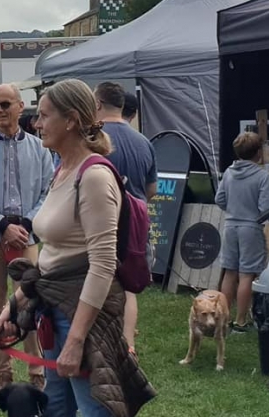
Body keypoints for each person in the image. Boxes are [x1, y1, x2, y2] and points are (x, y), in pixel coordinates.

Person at [0, 79, 155, 417]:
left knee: (95, 410)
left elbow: (102, 264)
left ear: (70, 121)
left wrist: (77, 339)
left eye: (45, 116)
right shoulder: (62, 170)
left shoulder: (93, 176)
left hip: (83, 315)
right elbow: (56, 258)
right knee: (56, 409)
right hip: (56, 309)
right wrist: (15, 304)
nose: (36, 124)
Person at [0, 84, 54, 394]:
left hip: (27, 236)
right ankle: (3, 374)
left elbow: (48, 190)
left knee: (30, 301)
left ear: (20, 106)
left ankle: (37, 374)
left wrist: (27, 224)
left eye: (5, 104)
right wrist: (3, 225)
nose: (0, 110)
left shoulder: (40, 147)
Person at [95, 82, 157, 354]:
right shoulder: (144, 142)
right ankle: (128, 346)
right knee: (129, 287)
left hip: (101, 224)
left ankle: (103, 346)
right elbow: (151, 190)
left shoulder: (93, 138)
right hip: (136, 226)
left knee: (98, 283)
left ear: (97, 104)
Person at [216, 132, 269, 333]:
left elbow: (219, 199)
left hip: (230, 226)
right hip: (251, 228)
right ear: (258, 153)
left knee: (230, 272)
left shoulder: (229, 173)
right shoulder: (263, 176)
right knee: (247, 274)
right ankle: (241, 322)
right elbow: (264, 207)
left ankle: (223, 320)